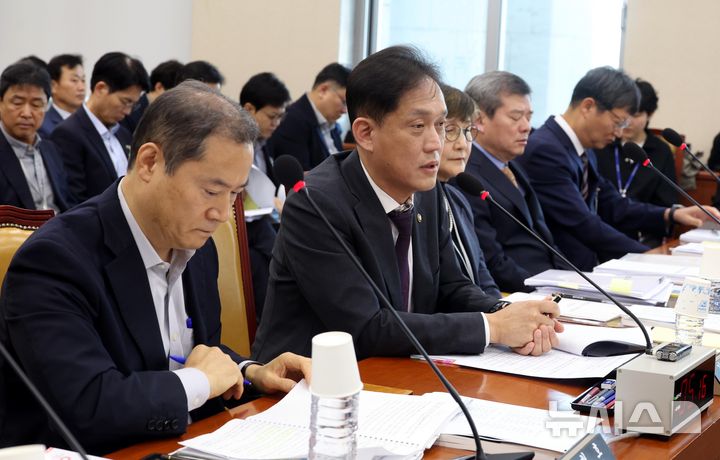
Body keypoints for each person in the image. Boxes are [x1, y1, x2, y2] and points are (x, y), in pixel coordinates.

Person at [0, 81, 310, 454]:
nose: (221, 213)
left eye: (235, 193)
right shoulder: (54, 260)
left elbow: (191, 353)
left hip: (182, 444)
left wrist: (250, 372)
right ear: (149, 162)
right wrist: (201, 381)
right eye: (212, 191)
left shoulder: (198, 246)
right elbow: (89, 405)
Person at [252, 45, 562, 363]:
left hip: (402, 371)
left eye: (440, 125)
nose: (436, 143)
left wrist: (507, 313)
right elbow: (366, 328)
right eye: (418, 126)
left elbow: (452, 287)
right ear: (366, 133)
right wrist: (492, 327)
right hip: (310, 380)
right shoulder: (316, 204)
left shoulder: (428, 191)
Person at [519, 67, 720, 270]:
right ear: (588, 106)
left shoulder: (584, 149)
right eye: (617, 122)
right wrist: (646, 255)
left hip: (584, 268)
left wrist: (671, 214)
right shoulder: (545, 150)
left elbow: (613, 204)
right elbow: (581, 222)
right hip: (557, 272)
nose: (619, 133)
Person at [463, 71, 571, 292]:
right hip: (518, 292)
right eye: (515, 117)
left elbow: (545, 240)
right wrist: (547, 290)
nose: (526, 127)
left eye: (528, 117)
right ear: (479, 120)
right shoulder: (467, 177)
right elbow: (493, 262)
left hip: (549, 284)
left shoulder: (511, 165)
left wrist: (572, 283)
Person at [51, 52, 150, 204]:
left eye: (133, 105)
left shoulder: (123, 134)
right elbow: (74, 202)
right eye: (125, 102)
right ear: (101, 88)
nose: (128, 111)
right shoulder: (67, 134)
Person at [595, 79, 678, 247]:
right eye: (625, 114)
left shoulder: (661, 151)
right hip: (602, 230)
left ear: (650, 114)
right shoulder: (604, 143)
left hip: (643, 235)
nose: (628, 121)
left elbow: (666, 202)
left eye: (636, 115)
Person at [437, 83, 501, 298]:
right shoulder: (415, 204)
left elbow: (482, 275)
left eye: (467, 131)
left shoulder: (458, 199)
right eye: (450, 131)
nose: (463, 144)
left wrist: (500, 306)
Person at [239, 72, 292, 320]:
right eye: (272, 117)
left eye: (281, 117)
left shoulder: (265, 142)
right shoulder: (234, 143)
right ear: (249, 109)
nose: (277, 123)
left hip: (263, 220)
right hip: (239, 225)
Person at [0, 62, 72, 212]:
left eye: (36, 104)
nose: (26, 113)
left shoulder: (52, 149)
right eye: (17, 102)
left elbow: (68, 202)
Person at [268, 63, 350, 171]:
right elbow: (301, 174)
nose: (345, 111)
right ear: (323, 90)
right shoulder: (292, 121)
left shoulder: (333, 125)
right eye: (343, 102)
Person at [121, 59, 183, 134]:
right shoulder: (131, 113)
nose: (177, 101)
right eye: (175, 95)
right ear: (159, 87)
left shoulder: (169, 114)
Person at [38, 54, 86, 138]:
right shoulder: (43, 125)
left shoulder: (91, 120)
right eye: (74, 80)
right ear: (53, 86)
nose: (81, 88)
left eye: (83, 80)